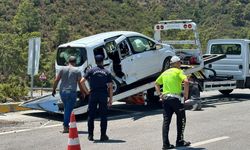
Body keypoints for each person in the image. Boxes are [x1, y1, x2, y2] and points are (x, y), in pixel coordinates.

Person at [155, 56, 191, 149]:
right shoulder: (179, 71)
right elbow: (186, 82)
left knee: (166, 121)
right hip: (176, 99)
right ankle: (180, 141)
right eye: (179, 62)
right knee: (181, 118)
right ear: (176, 63)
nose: (180, 64)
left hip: (166, 99)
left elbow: (156, 83)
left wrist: (160, 95)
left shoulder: (165, 72)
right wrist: (186, 96)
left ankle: (165, 144)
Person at [80, 55, 113, 141]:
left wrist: (87, 92)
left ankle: (90, 135)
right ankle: (103, 135)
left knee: (91, 115)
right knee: (103, 116)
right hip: (103, 95)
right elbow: (110, 86)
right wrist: (110, 99)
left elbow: (81, 81)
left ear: (95, 61)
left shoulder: (91, 70)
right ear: (103, 61)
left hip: (93, 94)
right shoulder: (107, 72)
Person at [52, 56, 86, 133]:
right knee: (68, 109)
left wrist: (53, 89)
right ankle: (66, 126)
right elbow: (80, 83)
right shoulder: (77, 71)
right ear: (75, 62)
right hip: (71, 92)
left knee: (66, 108)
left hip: (63, 92)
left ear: (68, 61)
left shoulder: (62, 69)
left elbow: (56, 80)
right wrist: (82, 92)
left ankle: (67, 125)